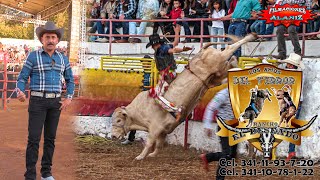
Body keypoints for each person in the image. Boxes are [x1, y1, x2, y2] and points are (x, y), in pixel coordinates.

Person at [16, 21, 75, 180]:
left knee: (50, 139)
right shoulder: (33, 56)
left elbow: (70, 80)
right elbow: (22, 78)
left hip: (55, 103)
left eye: (53, 37)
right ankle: (30, 175)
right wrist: (20, 91)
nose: (50, 40)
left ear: (57, 40)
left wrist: (68, 98)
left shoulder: (63, 59)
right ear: (42, 40)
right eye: (47, 37)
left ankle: (46, 173)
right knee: (34, 139)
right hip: (37, 101)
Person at [146, 32, 192, 120]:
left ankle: (176, 111)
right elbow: (175, 43)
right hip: (169, 73)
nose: (152, 47)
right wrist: (177, 31)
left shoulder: (162, 49)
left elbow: (173, 50)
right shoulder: (165, 47)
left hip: (167, 75)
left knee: (156, 95)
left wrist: (182, 49)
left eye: (152, 46)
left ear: (155, 44)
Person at [200, 84, 237, 180]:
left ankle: (208, 157)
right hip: (224, 127)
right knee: (227, 155)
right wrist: (207, 125)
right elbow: (211, 107)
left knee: (231, 156)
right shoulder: (223, 95)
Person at [279, 53, 305, 161]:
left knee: (291, 127)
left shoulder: (293, 74)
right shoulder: (300, 73)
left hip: (294, 102)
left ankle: (291, 151)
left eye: (289, 64)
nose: (288, 65)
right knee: (292, 127)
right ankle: (291, 151)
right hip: (295, 102)